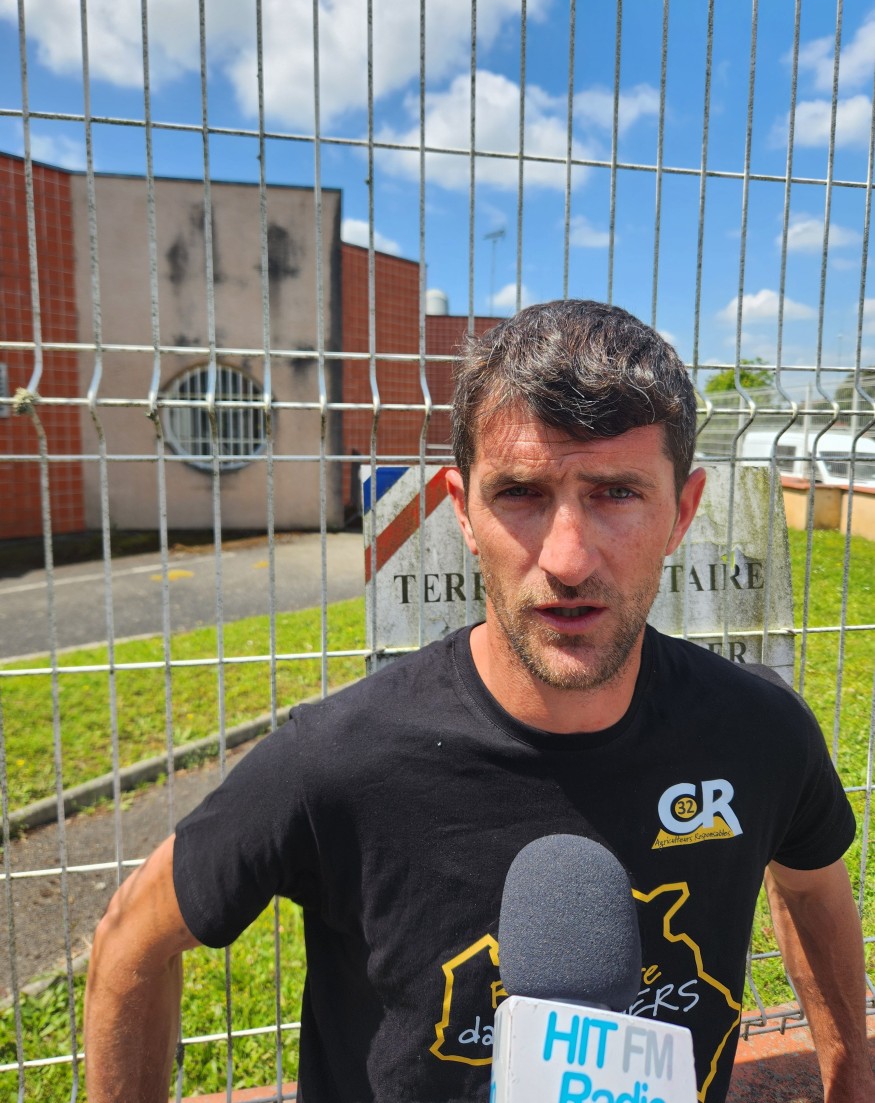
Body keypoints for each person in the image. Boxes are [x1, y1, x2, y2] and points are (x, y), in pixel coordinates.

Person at [84, 300, 873, 1103]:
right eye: (520, 493)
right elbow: (129, 944)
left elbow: (810, 887)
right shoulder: (338, 762)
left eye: (615, 492)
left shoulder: (758, 733)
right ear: (461, 511)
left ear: (683, 511)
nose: (567, 559)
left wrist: (849, 1080)